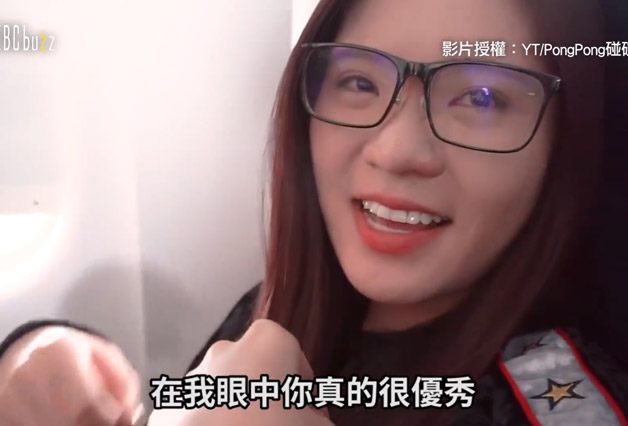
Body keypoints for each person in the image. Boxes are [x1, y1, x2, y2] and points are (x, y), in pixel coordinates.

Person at [1, 0, 627, 425]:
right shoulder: (271, 309)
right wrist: (46, 360)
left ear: (562, 148)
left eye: (482, 98)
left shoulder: (553, 394)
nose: (395, 150)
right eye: (360, 83)